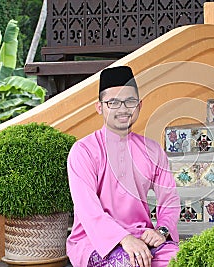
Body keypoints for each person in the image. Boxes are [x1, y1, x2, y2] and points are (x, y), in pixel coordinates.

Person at [66, 66, 181, 267]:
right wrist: (124, 239)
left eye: (130, 101)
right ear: (99, 107)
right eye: (113, 102)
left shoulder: (152, 150)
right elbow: (88, 210)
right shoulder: (83, 150)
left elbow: (169, 199)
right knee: (131, 263)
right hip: (94, 242)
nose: (123, 109)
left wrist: (161, 231)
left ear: (139, 105)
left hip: (143, 240)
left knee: (185, 260)